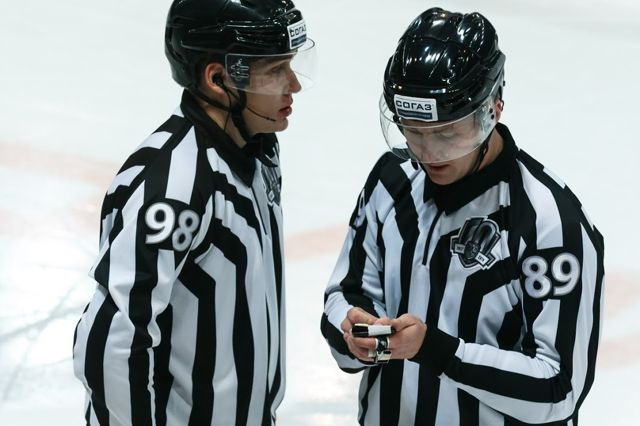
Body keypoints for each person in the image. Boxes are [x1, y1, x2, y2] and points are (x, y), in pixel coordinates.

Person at [321, 7, 604, 425]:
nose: (428, 152)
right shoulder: (391, 181)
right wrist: (353, 333)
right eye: (413, 130)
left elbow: (558, 388)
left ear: (493, 109)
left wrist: (436, 350)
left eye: (448, 133)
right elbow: (345, 293)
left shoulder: (549, 224)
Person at [72, 0, 316, 424]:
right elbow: (113, 342)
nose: (293, 84)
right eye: (276, 70)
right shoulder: (173, 186)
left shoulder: (258, 148)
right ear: (218, 78)